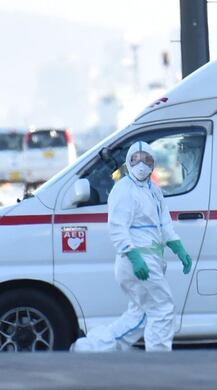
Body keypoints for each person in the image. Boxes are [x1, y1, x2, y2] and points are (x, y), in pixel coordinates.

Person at [70, 141, 192, 353]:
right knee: (162, 308)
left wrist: (178, 247)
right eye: (136, 159)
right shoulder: (123, 189)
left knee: (140, 315)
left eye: (147, 159)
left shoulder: (153, 190)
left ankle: (90, 348)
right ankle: (159, 357)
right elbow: (117, 227)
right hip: (137, 260)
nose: (142, 164)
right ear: (128, 161)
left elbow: (164, 224)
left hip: (151, 259)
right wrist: (134, 257)